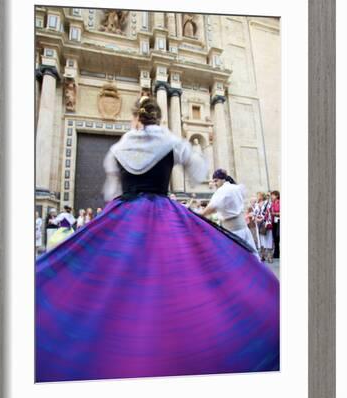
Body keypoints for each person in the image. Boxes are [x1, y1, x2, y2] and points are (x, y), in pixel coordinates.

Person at [36, 95, 279, 383]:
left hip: (124, 215)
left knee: (117, 277)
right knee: (180, 272)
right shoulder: (171, 141)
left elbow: (111, 191)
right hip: (164, 212)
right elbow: (200, 170)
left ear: (136, 118)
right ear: (159, 117)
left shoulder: (119, 146)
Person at [201, 169, 259, 256]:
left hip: (233, 232)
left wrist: (198, 215)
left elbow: (212, 207)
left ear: (222, 179)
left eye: (216, 181)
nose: (215, 184)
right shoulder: (237, 187)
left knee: (235, 260)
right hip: (242, 229)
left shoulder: (223, 191)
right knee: (249, 258)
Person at [254, 192, 274, 263]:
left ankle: (269, 256)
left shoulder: (267, 203)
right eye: (257, 195)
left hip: (265, 223)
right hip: (258, 224)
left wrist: (262, 219)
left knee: (268, 239)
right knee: (261, 240)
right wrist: (256, 219)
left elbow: (269, 212)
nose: (257, 197)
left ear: (262, 196)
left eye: (258, 195)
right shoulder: (256, 204)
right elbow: (255, 213)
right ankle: (263, 255)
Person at [271, 190, 280, 259]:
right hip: (274, 222)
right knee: (275, 238)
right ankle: (276, 253)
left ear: (277, 196)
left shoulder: (280, 202)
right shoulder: (272, 203)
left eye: (273, 195)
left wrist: (275, 214)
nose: (272, 196)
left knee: (279, 236)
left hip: (279, 221)